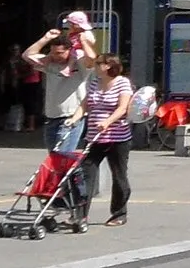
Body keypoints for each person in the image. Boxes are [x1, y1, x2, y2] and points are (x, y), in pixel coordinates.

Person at [23, 21, 95, 152]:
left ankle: (79, 172)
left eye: (60, 53)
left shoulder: (79, 64)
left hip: (71, 116)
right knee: (55, 158)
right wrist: (46, 38)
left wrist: (84, 42)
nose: (56, 56)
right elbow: (27, 55)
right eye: (53, 52)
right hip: (51, 117)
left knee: (62, 156)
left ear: (69, 51)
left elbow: (91, 58)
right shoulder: (49, 62)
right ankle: (78, 172)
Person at [80, 53, 134, 226]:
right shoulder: (95, 82)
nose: (95, 66)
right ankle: (79, 214)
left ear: (108, 66)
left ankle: (119, 213)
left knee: (119, 176)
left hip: (117, 137)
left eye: (98, 64)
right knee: (85, 175)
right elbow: (85, 104)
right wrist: (73, 119)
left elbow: (123, 107)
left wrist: (108, 121)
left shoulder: (122, 82)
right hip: (94, 137)